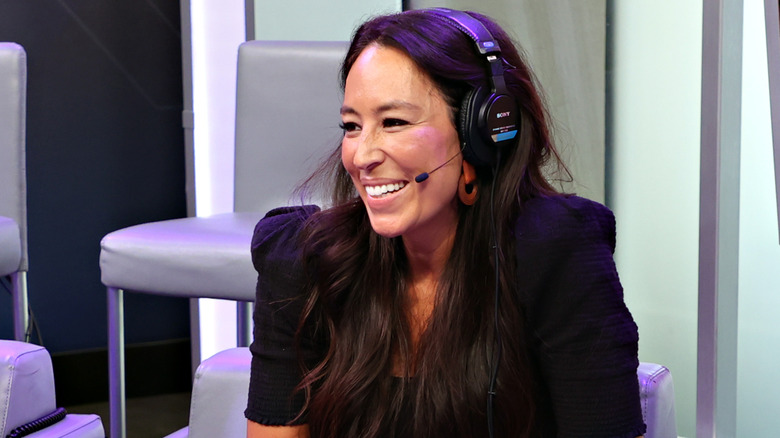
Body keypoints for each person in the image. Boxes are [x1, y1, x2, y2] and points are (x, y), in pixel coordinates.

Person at [244, 8, 645, 438]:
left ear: (483, 132)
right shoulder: (303, 260)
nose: (362, 157)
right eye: (352, 126)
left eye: (394, 122)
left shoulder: (554, 252)